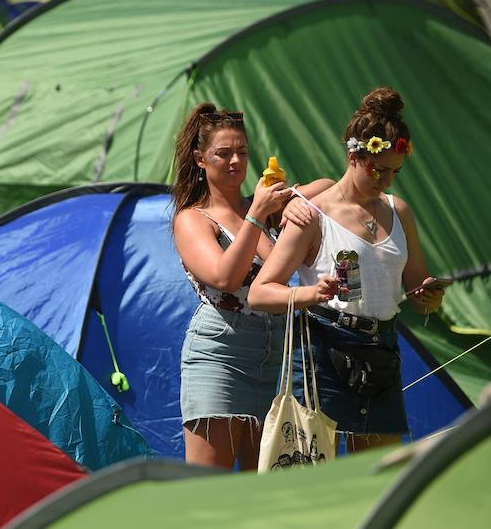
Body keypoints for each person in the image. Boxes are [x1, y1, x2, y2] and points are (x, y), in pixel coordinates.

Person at [248, 87, 444, 453]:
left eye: (395, 172)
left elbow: (420, 296)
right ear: (353, 156)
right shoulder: (312, 213)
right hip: (323, 347)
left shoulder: (399, 211)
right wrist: (309, 294)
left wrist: (429, 295)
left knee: (378, 477)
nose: (386, 180)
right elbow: (261, 292)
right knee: (315, 477)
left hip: (382, 351)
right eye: (378, 170)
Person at [173, 103, 333, 470]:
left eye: (242, 153)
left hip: (274, 354)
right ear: (200, 159)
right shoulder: (193, 219)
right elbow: (224, 278)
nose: (235, 162)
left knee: (260, 485)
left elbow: (329, 187)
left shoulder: (266, 205)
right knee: (209, 489)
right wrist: (257, 216)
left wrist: (296, 202)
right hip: (220, 353)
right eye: (223, 154)